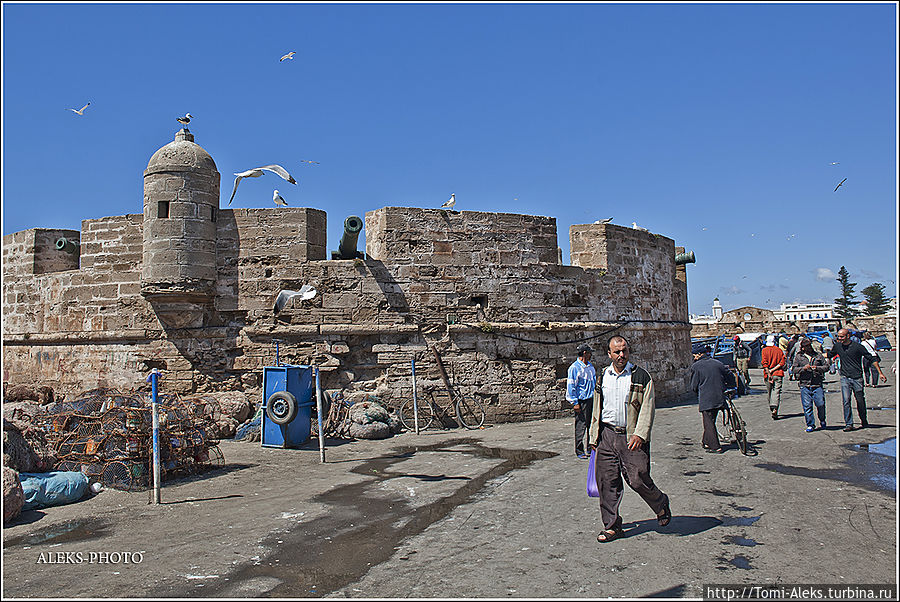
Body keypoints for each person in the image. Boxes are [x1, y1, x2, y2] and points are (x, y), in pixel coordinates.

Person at [587, 335, 670, 543]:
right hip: (606, 435)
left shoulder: (641, 377)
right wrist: (593, 435)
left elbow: (647, 407)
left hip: (630, 435)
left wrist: (640, 434)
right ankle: (612, 526)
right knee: (607, 482)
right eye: (617, 352)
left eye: (624, 351)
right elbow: (597, 406)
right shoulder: (602, 376)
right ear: (609, 354)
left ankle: (660, 503)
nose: (621, 355)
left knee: (637, 478)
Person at [827, 328, 886, 431]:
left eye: (842, 336)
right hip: (845, 377)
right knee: (846, 401)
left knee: (860, 400)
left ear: (848, 336)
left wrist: (880, 373)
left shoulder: (858, 347)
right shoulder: (837, 346)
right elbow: (829, 355)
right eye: (838, 336)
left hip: (857, 378)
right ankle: (849, 424)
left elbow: (871, 358)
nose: (839, 338)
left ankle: (864, 420)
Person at [690, 346, 736, 453]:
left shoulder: (696, 367)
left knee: (708, 422)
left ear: (699, 354)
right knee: (712, 419)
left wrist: (697, 393)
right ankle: (706, 441)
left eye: (695, 355)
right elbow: (729, 375)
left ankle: (715, 446)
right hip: (720, 396)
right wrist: (731, 386)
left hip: (707, 398)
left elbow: (694, 385)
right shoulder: (717, 363)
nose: (694, 357)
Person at [566, 343, 596, 459]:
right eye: (589, 353)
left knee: (591, 425)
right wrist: (574, 402)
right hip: (581, 401)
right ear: (585, 353)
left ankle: (590, 448)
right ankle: (579, 450)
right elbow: (571, 386)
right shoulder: (574, 368)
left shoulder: (590, 367)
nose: (590, 355)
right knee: (581, 426)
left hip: (591, 399)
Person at [793, 338, 828, 432]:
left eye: (808, 345)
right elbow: (794, 369)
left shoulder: (818, 355)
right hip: (805, 384)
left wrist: (817, 368)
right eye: (805, 346)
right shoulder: (799, 357)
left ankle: (822, 420)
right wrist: (803, 368)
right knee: (807, 406)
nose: (807, 348)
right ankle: (810, 424)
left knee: (820, 404)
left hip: (817, 383)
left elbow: (826, 367)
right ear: (802, 347)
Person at [760, 335, 786, 420]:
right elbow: (782, 362)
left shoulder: (764, 350)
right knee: (776, 392)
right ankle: (775, 408)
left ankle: (772, 408)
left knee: (770, 392)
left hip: (767, 374)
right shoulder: (779, 350)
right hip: (778, 373)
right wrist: (773, 370)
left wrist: (769, 372)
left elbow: (764, 363)